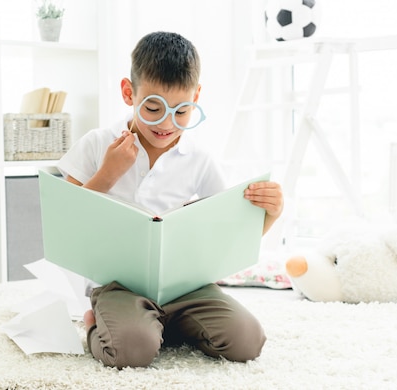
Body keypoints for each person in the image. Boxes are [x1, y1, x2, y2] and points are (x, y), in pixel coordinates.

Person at [56, 31, 284, 369]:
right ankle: (95, 323)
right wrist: (109, 173)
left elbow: (226, 239)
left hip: (186, 288)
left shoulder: (199, 158)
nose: (166, 124)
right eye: (153, 108)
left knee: (248, 340)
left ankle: (163, 325)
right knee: (130, 352)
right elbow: (66, 226)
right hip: (119, 286)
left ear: (197, 97)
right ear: (128, 92)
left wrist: (271, 214)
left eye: (182, 111)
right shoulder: (96, 144)